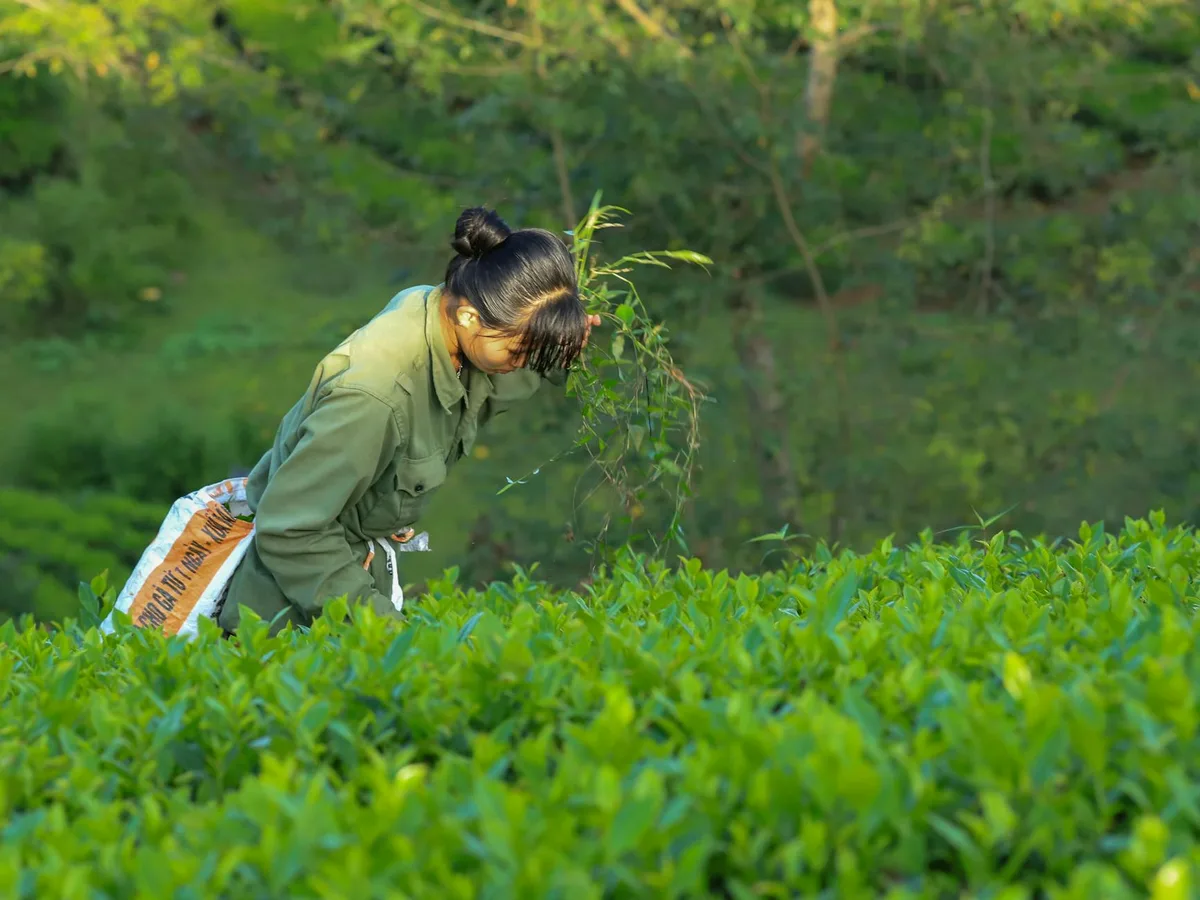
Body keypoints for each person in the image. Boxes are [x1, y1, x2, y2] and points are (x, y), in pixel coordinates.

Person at [216, 206, 601, 635]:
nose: (523, 362)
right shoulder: (373, 398)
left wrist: (555, 347)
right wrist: (387, 632)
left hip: (348, 585)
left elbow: (481, 391)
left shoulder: (440, 312)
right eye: (519, 351)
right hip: (290, 621)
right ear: (470, 316)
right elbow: (291, 529)